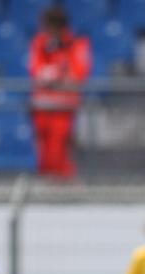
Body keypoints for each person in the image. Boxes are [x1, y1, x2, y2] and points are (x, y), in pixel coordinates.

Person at [28, 6, 91, 180]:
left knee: (60, 150)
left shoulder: (76, 43)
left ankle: (62, 188)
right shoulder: (39, 43)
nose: (45, 31)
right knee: (44, 151)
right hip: (41, 107)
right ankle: (47, 186)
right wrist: (56, 73)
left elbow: (77, 75)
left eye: (47, 27)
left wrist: (54, 74)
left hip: (64, 108)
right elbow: (36, 72)